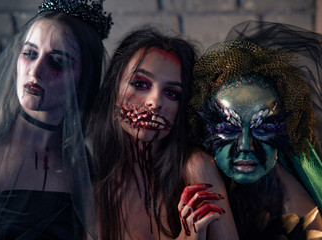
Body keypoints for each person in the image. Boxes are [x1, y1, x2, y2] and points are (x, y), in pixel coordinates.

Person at [0, 0, 112, 239]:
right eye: (30, 53)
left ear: (84, 77)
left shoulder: (83, 170)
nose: (35, 71)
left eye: (57, 61)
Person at [87, 26, 238, 240]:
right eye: (140, 83)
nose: (155, 102)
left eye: (172, 93)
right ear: (113, 93)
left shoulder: (195, 170)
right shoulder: (98, 187)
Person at [189, 20, 322, 239]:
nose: (245, 146)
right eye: (228, 127)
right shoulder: (200, 173)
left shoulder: (301, 217)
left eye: (264, 128)